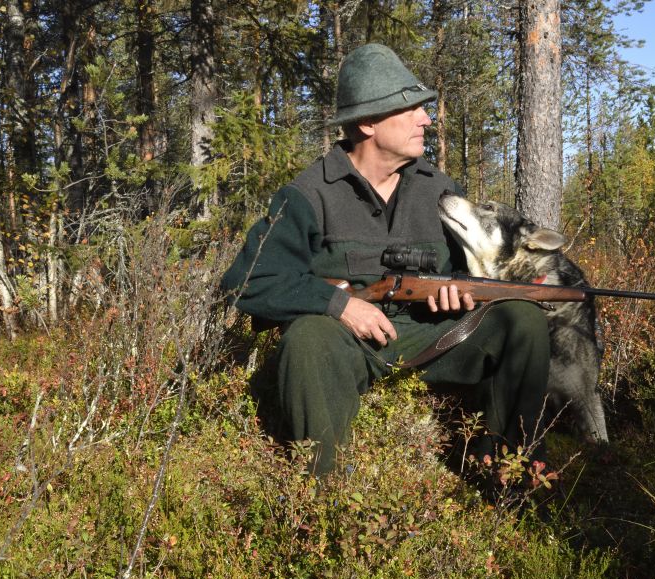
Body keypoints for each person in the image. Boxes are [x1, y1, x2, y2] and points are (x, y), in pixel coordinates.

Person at [221, 43, 551, 475]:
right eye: (410, 109)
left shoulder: (438, 189)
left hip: (430, 336)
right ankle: (325, 496)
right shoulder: (308, 194)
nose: (426, 120)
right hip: (346, 345)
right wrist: (338, 306)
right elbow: (247, 280)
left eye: (422, 108)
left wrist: (456, 295)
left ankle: (512, 470)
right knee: (306, 339)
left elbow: (464, 271)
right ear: (367, 123)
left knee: (522, 321)